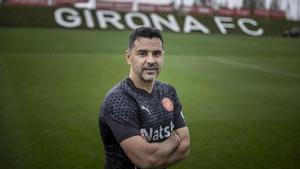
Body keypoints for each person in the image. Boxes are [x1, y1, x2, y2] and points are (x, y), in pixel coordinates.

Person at [98, 27, 190, 169]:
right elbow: (146, 160)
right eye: (142, 54)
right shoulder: (118, 100)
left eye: (157, 53)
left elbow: (184, 147)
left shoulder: (169, 92)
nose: (151, 60)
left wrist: (155, 155)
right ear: (129, 57)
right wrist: (173, 140)